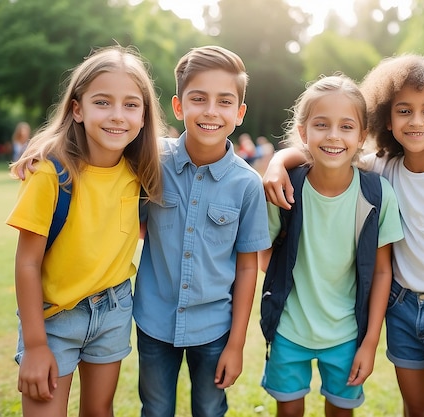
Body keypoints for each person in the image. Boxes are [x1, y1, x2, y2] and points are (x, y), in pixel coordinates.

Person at [263, 54, 424, 417]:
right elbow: (323, 151)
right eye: (403, 110)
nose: (416, 121)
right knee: (418, 411)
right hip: (401, 309)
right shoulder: (381, 167)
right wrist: (277, 162)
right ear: (386, 117)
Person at [5, 45, 164, 417]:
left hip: (113, 310)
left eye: (130, 105)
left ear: (143, 115)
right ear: (77, 109)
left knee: (99, 410)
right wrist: (35, 345)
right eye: (102, 102)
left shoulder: (141, 170)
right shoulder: (50, 174)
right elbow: (27, 264)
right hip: (52, 318)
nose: (117, 116)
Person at [132, 45, 272, 417]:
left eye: (224, 101)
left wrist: (237, 344)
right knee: (155, 409)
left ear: (239, 113)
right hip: (153, 321)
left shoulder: (247, 185)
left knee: (210, 411)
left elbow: (246, 267)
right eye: (199, 99)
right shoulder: (151, 162)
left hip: (214, 329)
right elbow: (96, 145)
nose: (211, 111)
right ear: (179, 107)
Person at [258, 74, 403, 417]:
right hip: (289, 329)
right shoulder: (286, 188)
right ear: (304, 131)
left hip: (347, 336)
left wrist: (370, 343)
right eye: (322, 124)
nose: (334, 135)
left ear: (362, 135)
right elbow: (263, 254)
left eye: (346, 126)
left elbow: (383, 271)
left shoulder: (377, 195)